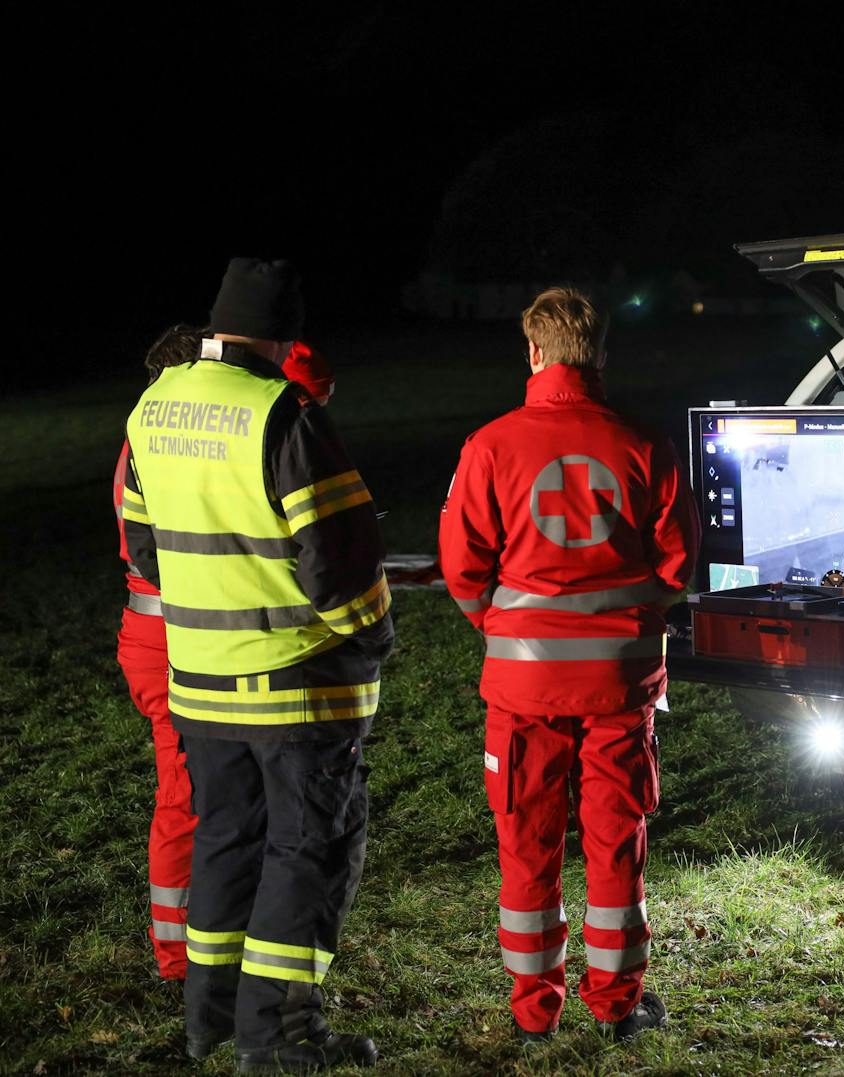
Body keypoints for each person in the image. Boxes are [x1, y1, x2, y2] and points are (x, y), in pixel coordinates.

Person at [121, 258, 393, 1072]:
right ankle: (276, 1037)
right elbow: (337, 563)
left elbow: (144, 550)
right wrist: (371, 636)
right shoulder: (282, 413)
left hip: (197, 679)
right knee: (307, 853)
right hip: (293, 685)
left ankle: (208, 1019)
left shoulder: (152, 405)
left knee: (226, 844)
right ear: (283, 338)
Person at [438, 285, 697, 1043]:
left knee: (526, 839)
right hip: (619, 683)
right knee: (616, 839)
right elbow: (677, 565)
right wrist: (626, 617)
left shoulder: (489, 445)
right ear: (599, 355)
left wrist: (506, 624)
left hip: (522, 687)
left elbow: (462, 567)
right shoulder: (643, 444)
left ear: (533, 353)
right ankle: (618, 1004)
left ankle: (532, 1011)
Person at [115, 324, 206, 985]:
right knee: (185, 796)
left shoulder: (139, 442)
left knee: (195, 792)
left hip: (156, 637)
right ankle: (177, 955)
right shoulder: (168, 447)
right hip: (178, 640)